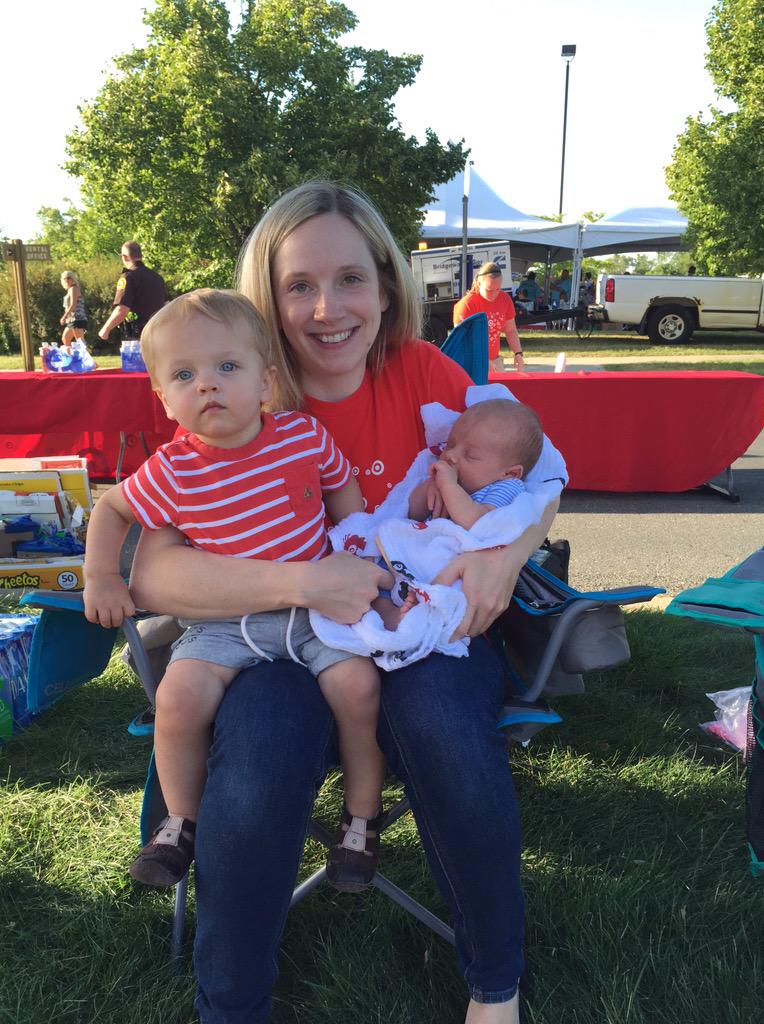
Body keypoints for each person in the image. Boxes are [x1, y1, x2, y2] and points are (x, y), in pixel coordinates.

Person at [128, 181, 559, 1024]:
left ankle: (494, 990)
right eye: (299, 285)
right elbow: (154, 576)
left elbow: (541, 474)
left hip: (423, 627)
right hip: (282, 637)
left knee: (441, 718)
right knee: (260, 752)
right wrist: (302, 582)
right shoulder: (235, 386)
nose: (328, 309)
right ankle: (231, 1008)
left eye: (351, 279)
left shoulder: (424, 373)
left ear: (387, 286)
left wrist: (507, 556)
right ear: (269, 296)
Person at [84, 288, 387, 893]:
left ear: (266, 381)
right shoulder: (172, 470)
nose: (207, 385)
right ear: (163, 398)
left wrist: (357, 549)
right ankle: (180, 823)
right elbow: (111, 510)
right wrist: (103, 576)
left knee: (359, 688)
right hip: (226, 621)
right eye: (184, 375)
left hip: (315, 612)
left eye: (227, 366)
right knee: (177, 700)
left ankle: (361, 819)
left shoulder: (302, 436)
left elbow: (342, 489)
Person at [408, 400, 543, 529]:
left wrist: (448, 486)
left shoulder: (507, 487)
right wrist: (430, 486)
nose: (450, 455)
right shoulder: (445, 479)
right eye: (450, 445)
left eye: (471, 455)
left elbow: (480, 524)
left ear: (510, 473)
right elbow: (412, 514)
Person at [453, 262, 524, 373]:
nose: (494, 294)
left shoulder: (505, 299)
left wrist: (518, 353)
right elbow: (460, 340)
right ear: (479, 283)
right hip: (470, 362)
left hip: (494, 360)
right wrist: (482, 360)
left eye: (498, 289)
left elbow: (510, 330)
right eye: (489, 290)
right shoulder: (467, 304)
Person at [98, 240, 167, 342]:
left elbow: (122, 310)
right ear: (141, 255)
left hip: (138, 336)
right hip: (159, 334)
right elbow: (166, 304)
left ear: (125, 257)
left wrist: (105, 330)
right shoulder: (157, 278)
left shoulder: (128, 276)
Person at [59, 270, 88, 345]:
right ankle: (72, 352)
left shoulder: (74, 289)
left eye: (69, 278)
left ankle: (84, 353)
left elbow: (73, 305)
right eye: (65, 278)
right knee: (65, 338)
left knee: (80, 342)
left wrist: (64, 317)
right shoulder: (70, 290)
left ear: (73, 279)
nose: (67, 280)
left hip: (77, 318)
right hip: (71, 319)